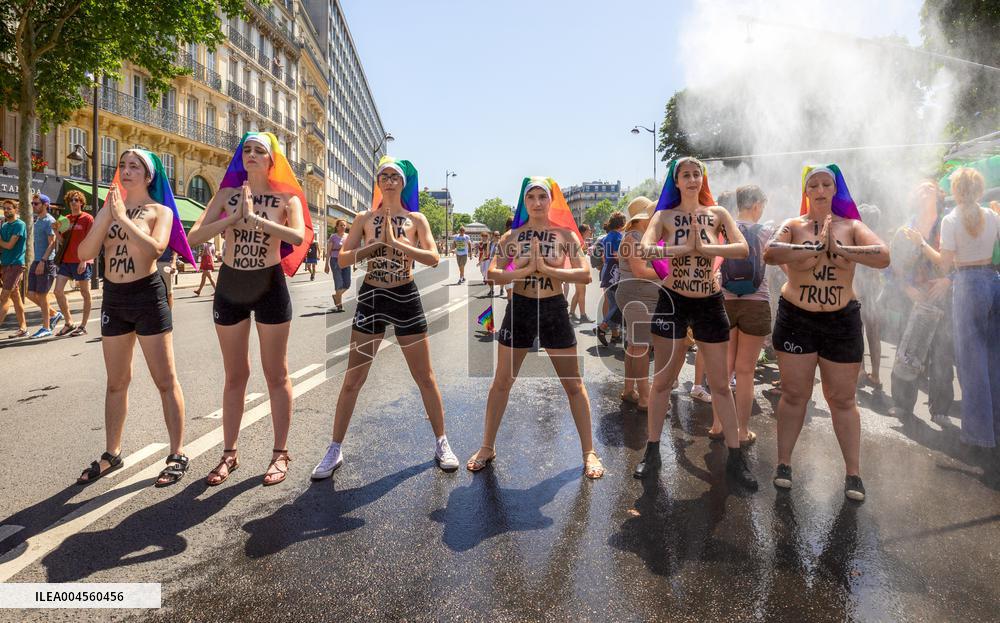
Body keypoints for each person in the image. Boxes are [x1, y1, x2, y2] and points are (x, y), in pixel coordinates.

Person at [311, 156, 459, 479]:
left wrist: (399, 246)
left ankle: (442, 442)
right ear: (378, 182)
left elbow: (433, 257)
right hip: (372, 299)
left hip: (405, 297)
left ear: (403, 183)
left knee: (425, 376)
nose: (389, 180)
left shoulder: (416, 219)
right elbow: (345, 256)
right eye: (384, 175)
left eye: (395, 176)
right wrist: (375, 244)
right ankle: (334, 448)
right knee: (353, 379)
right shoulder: (365, 217)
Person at [188, 132, 312, 486]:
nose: (253, 155)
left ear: (273, 160)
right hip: (231, 284)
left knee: (276, 373)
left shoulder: (286, 198)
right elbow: (194, 237)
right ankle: (229, 453)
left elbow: (297, 237)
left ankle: (280, 452)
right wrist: (233, 218)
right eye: (248, 150)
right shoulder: (226, 195)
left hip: (269, 285)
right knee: (235, 375)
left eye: (260, 150)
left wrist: (256, 219)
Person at [763, 164, 889, 501]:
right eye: (813, 185)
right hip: (797, 319)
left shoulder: (852, 227)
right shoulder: (793, 225)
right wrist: (811, 249)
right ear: (806, 191)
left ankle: (853, 474)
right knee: (794, 394)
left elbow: (883, 255)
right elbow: (770, 253)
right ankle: (784, 464)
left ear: (835, 190)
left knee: (843, 399)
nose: (820, 190)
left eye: (826, 184)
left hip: (841, 322)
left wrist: (842, 250)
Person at [465, 176, 604, 479]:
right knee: (502, 382)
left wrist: (548, 268)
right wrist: (527, 268)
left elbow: (585, 275)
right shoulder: (511, 237)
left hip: (554, 308)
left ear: (550, 200)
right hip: (521, 309)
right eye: (532, 197)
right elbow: (493, 275)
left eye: (543, 196)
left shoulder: (566, 235)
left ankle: (589, 451)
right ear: (524, 202)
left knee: (573, 384)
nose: (538, 202)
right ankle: (487, 446)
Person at [75, 149, 196, 486]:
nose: (126, 171)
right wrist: (107, 217)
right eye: (122, 165)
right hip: (114, 299)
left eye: (134, 166)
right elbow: (85, 253)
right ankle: (111, 453)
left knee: (165, 379)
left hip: (147, 295)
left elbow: (156, 250)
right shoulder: (108, 208)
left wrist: (123, 219)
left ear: (148, 175)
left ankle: (177, 452)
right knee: (116, 382)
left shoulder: (161, 211)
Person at [636, 157, 756, 489]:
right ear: (676, 182)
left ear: (703, 179)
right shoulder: (664, 216)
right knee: (662, 382)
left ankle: (736, 458)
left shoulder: (718, 214)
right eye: (685, 175)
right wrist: (681, 249)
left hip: (709, 302)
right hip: (673, 300)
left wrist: (702, 246)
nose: (691, 179)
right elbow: (645, 249)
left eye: (696, 174)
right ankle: (652, 451)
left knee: (720, 384)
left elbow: (742, 248)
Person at [904, 168, 999, 447]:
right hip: (993, 282)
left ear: (956, 192)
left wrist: (921, 243)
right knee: (994, 360)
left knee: (972, 365)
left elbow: (944, 264)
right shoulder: (992, 215)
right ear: (980, 191)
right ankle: (996, 429)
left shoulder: (951, 219)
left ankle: (978, 436)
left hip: (968, 285)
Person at [885, 182, 954, 421]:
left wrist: (949, 281)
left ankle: (941, 409)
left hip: (943, 299)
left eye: (930, 187)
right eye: (921, 187)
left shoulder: (949, 223)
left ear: (939, 194)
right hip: (913, 300)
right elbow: (893, 267)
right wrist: (907, 289)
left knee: (942, 354)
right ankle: (903, 404)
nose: (925, 189)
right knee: (908, 352)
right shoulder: (905, 230)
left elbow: (963, 259)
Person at [712, 184, 773, 445]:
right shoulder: (767, 231)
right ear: (757, 204)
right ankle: (742, 430)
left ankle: (717, 425)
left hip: (725, 300)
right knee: (745, 371)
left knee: (723, 369)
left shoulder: (724, 230)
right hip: (756, 302)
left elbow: (713, 264)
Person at [614, 197, 661, 411]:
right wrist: (667, 273)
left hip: (637, 296)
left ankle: (629, 390)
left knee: (635, 346)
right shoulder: (634, 237)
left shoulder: (636, 236)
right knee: (641, 346)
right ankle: (644, 398)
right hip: (638, 297)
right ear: (644, 217)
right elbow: (640, 271)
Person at [52, 190, 94, 336]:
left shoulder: (88, 218)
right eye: (71, 200)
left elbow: (90, 241)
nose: (74, 202)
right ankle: (69, 322)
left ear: (81, 202)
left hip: (81, 261)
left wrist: (84, 260)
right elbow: (63, 242)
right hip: (66, 261)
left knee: (85, 293)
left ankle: (83, 326)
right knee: (57, 291)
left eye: (77, 200)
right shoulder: (65, 219)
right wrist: (56, 232)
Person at [854, 203, 885, 394]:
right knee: (874, 333)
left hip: (859, 291)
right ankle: (875, 374)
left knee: (858, 331)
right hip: (873, 292)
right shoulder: (877, 240)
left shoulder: (857, 238)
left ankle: (860, 371)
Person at [26, 194, 62, 338]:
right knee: (29, 293)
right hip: (37, 260)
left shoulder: (50, 221)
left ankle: (46, 327)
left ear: (45, 205)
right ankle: (54, 314)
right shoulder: (37, 220)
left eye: (36, 203)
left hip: (46, 262)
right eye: (32, 203)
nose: (33, 206)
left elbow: (52, 243)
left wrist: (43, 261)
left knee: (42, 295)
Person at [596, 212, 626, 346]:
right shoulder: (619, 237)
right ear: (622, 224)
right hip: (616, 274)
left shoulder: (606, 237)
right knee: (617, 305)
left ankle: (615, 336)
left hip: (607, 271)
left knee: (613, 305)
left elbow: (604, 256)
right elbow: (616, 255)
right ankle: (602, 328)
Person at [0, 199, 28, 337]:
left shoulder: (20, 225)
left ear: (15, 210)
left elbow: (9, 245)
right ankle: (23, 327)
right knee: (15, 296)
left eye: (9, 208)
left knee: (4, 296)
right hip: (5, 264)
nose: (6, 210)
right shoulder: (4, 226)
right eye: (4, 208)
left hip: (16, 264)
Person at [325, 219, 351, 311]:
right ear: (337, 227)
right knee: (339, 282)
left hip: (346, 260)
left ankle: (336, 296)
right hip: (335, 260)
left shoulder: (348, 236)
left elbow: (351, 249)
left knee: (347, 284)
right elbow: (328, 251)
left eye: (344, 225)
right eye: (341, 225)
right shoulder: (333, 237)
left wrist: (354, 262)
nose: (343, 227)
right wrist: (326, 265)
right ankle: (339, 306)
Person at [569, 223, 592, 322]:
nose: (590, 232)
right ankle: (583, 316)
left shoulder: (578, 240)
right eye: (589, 230)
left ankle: (572, 313)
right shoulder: (578, 241)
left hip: (577, 270)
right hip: (579, 270)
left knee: (578, 293)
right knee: (582, 293)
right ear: (584, 232)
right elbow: (575, 257)